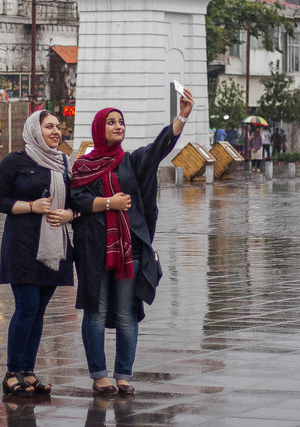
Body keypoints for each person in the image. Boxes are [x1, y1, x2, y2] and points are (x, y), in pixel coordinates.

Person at [70, 89, 194, 395]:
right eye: (111, 122)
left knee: (127, 314)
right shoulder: (83, 166)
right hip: (94, 250)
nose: (118, 126)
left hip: (131, 250)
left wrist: (181, 117)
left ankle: (123, 374)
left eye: (121, 122)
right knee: (95, 312)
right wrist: (108, 203)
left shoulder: (131, 161)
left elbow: (158, 148)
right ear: (99, 128)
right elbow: (77, 199)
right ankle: (99, 375)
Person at [0, 110, 74, 397]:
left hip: (54, 246)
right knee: (26, 307)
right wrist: (31, 206)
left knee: (39, 311)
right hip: (23, 245)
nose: (55, 132)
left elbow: (75, 201)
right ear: (35, 130)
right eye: (49, 126)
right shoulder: (14, 161)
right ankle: (11, 372)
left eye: (58, 127)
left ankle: (28, 372)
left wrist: (70, 214)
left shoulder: (63, 163)